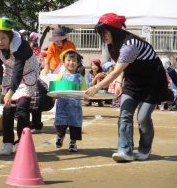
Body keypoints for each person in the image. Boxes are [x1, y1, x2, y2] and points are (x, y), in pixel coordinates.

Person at [85, 13, 172, 162]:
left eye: (105, 32)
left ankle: (145, 149)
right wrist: (119, 84)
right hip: (132, 83)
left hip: (152, 84)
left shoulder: (130, 45)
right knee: (125, 115)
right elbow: (123, 67)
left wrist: (96, 87)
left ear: (115, 31)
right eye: (101, 33)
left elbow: (116, 71)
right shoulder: (114, 45)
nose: (103, 36)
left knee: (143, 118)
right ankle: (125, 150)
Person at [0, 17, 39, 155]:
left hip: (27, 73)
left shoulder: (20, 45)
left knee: (22, 107)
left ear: (10, 36)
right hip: (9, 73)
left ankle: (22, 142)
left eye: (3, 38)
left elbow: (19, 70)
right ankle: (7, 142)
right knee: (7, 110)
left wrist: (10, 92)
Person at [54, 49, 87, 152]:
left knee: (75, 125)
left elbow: (84, 91)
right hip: (62, 106)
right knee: (60, 123)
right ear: (63, 62)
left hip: (75, 107)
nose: (71, 63)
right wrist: (53, 95)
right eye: (68, 60)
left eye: (74, 61)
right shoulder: (60, 77)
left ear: (77, 63)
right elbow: (54, 91)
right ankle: (60, 136)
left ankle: (73, 143)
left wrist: (85, 97)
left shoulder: (80, 78)